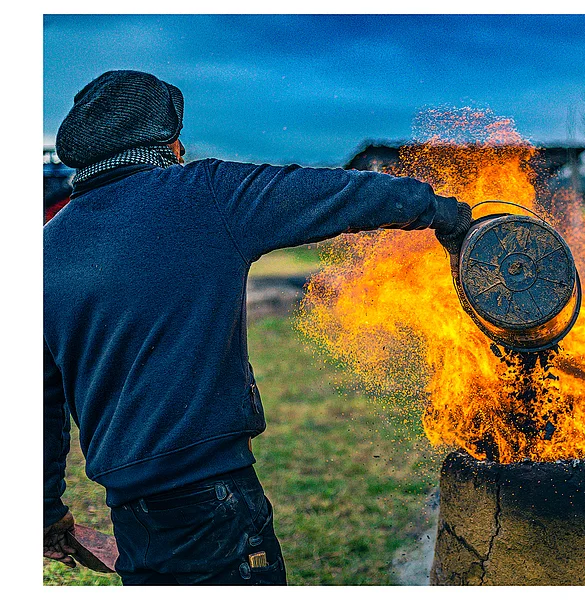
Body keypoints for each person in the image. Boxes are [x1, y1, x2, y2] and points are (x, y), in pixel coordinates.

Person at [43, 70, 472, 585]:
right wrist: (448, 213)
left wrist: (45, 511)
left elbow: (39, 402)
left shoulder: (44, 248)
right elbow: (335, 194)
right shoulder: (203, 195)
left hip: (133, 515)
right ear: (164, 140)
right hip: (214, 505)